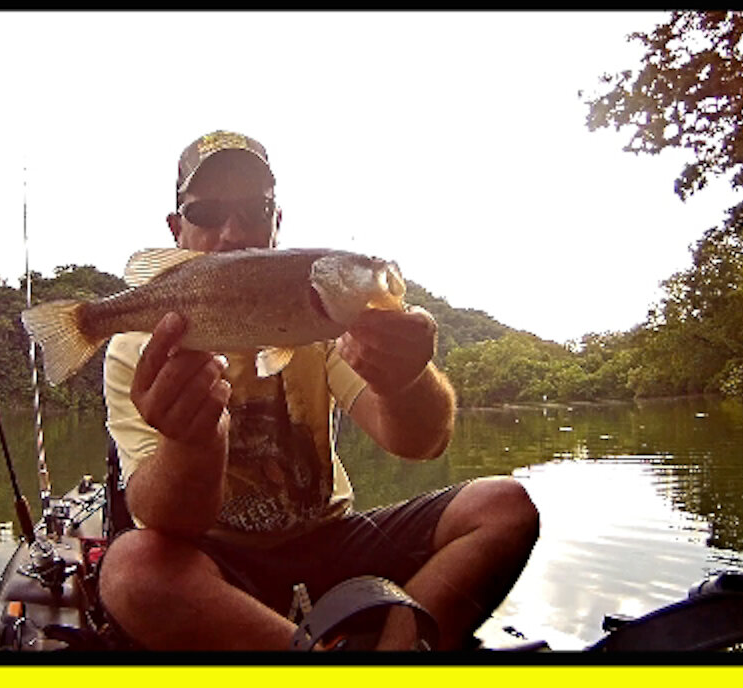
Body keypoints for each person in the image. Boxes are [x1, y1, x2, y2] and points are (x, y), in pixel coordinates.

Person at [97, 130, 539, 651]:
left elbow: (421, 443)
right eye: (207, 213)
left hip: (333, 539)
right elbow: (164, 518)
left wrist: (405, 380)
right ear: (176, 229)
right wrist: (190, 443)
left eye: (255, 210)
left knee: (504, 508)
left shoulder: (322, 322)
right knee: (131, 573)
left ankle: (394, 659)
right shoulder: (137, 346)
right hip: (217, 566)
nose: (233, 231)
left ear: (277, 221)